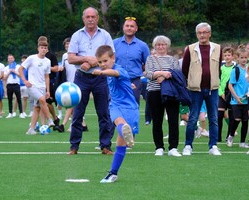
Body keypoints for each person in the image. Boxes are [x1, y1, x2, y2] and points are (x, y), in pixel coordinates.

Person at [67, 7, 114, 155]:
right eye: (87, 17)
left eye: (93, 16)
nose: (90, 19)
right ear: (83, 19)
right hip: (81, 78)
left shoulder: (105, 35)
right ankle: (74, 146)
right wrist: (86, 59)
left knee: (104, 113)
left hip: (101, 78)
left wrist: (95, 63)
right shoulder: (77, 35)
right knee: (78, 113)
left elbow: (111, 58)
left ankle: (105, 146)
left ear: (97, 18)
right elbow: (71, 58)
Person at [92, 45, 136, 183]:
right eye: (100, 62)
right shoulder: (110, 71)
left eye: (105, 61)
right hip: (119, 106)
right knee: (119, 139)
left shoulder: (118, 69)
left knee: (120, 136)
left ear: (113, 58)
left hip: (127, 108)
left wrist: (101, 72)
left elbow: (115, 73)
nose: (102, 65)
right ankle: (113, 173)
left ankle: (124, 131)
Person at [181, 22, 222, 156]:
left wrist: (215, 81)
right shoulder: (190, 48)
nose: (202, 35)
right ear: (196, 34)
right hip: (195, 90)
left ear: (209, 34)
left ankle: (213, 146)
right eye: (199, 33)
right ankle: (188, 146)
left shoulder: (217, 48)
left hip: (213, 89)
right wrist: (190, 83)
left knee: (214, 118)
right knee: (192, 118)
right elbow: (184, 69)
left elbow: (218, 70)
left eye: (204, 32)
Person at [143, 35, 181, 157]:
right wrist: (162, 73)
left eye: (163, 44)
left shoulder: (173, 59)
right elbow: (148, 74)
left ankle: (173, 147)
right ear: (155, 46)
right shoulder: (150, 58)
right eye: (158, 44)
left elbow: (175, 74)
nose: (161, 46)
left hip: (171, 92)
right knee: (157, 120)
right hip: (154, 92)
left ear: (167, 46)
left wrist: (161, 75)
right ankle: (159, 147)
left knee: (173, 120)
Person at [113, 16, 150, 105]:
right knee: (115, 106)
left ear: (136, 29)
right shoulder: (114, 43)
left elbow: (148, 64)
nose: (129, 28)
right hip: (116, 80)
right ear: (123, 28)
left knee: (133, 106)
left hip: (135, 81)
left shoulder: (142, 45)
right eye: (127, 26)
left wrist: (140, 70)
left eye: (132, 26)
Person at [19, 37, 51, 135]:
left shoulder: (48, 61)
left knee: (37, 108)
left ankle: (31, 129)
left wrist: (48, 90)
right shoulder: (32, 58)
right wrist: (25, 80)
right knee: (42, 100)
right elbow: (20, 69)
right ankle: (50, 120)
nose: (43, 49)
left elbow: (47, 77)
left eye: (45, 48)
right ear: (38, 48)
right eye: (41, 47)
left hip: (42, 87)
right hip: (32, 86)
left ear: (47, 50)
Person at [226, 45, 249, 148]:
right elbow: (230, 85)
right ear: (238, 58)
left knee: (245, 120)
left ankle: (242, 142)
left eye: (246, 57)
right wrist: (236, 97)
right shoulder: (235, 70)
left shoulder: (248, 69)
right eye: (242, 57)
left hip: (246, 100)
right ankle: (230, 135)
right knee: (237, 119)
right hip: (236, 101)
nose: (244, 60)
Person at [218, 47, 236, 142]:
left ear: (233, 56)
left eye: (229, 55)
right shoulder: (221, 68)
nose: (227, 57)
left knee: (231, 116)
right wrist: (221, 93)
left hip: (232, 94)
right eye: (225, 55)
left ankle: (229, 136)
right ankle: (218, 137)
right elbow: (218, 81)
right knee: (219, 115)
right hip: (222, 94)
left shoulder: (235, 68)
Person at [4, 54, 25, 119]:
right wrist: (9, 72)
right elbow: (4, 77)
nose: (10, 59)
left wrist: (14, 71)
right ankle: (10, 113)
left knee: (19, 99)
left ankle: (21, 113)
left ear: (14, 59)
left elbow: (20, 75)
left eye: (11, 58)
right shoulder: (6, 67)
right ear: (8, 60)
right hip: (9, 84)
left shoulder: (18, 66)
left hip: (16, 84)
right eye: (9, 58)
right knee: (9, 99)